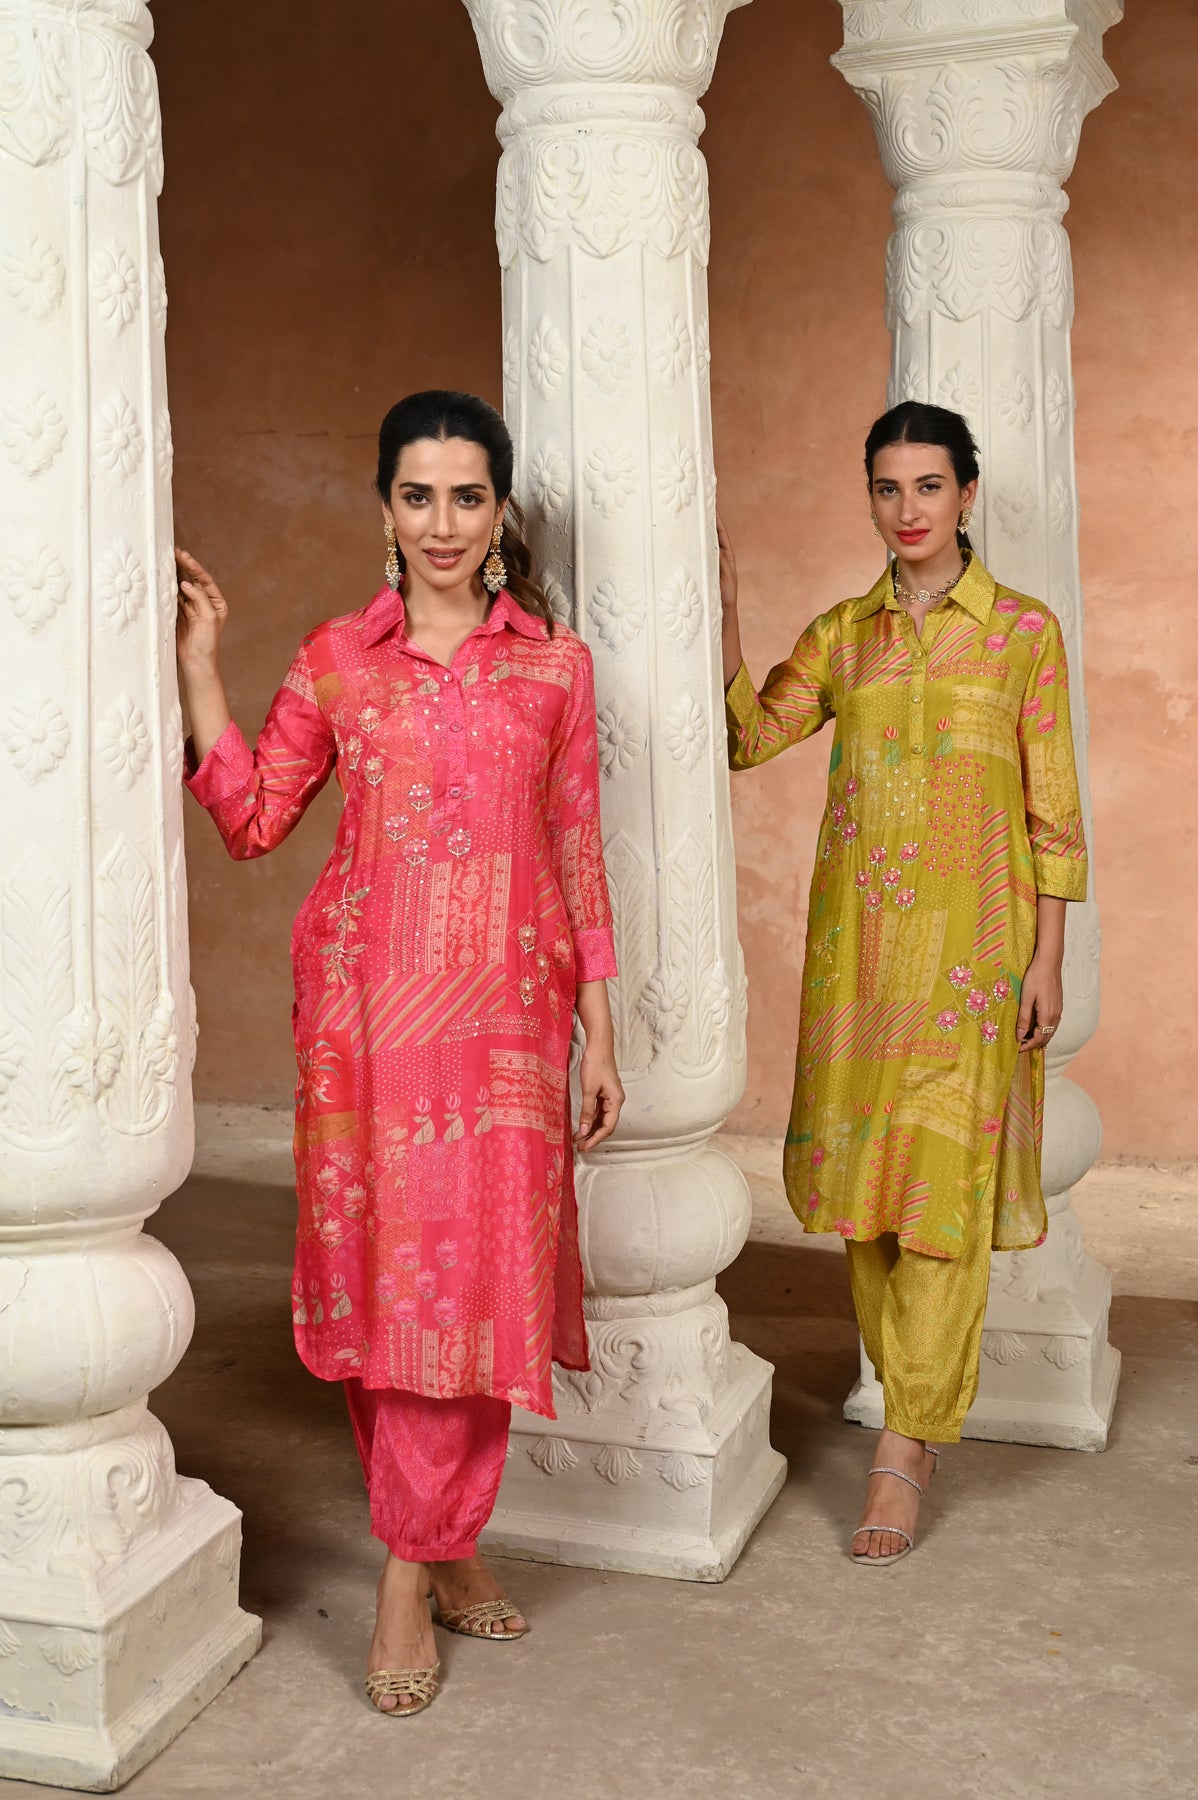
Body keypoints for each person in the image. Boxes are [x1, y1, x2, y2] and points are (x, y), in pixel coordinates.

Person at [176, 390, 623, 1710]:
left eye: (465, 496)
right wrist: (200, 668)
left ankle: (409, 1563)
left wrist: (600, 1031)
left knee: (476, 1286)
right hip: (366, 1030)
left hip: (506, 1026)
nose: (441, 523)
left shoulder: (553, 667)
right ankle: (432, 1550)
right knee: (394, 1291)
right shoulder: (337, 659)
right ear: (385, 506)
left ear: (498, 512)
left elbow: (579, 852)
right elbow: (255, 818)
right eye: (417, 496)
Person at [719, 401, 1087, 1565]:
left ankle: (905, 1441)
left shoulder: (1021, 634)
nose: (907, 509)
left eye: (928, 486)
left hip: (975, 963)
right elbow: (747, 737)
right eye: (888, 488)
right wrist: (717, 619)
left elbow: (1053, 810)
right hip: (862, 963)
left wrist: (1046, 957)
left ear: (966, 495)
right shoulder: (845, 635)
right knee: (870, 1196)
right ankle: (906, 1398)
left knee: (941, 1197)